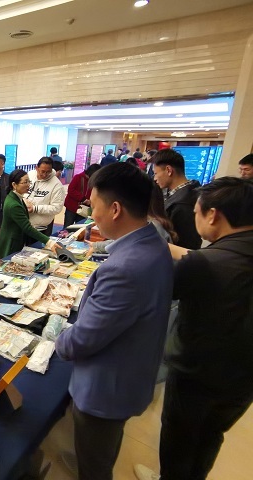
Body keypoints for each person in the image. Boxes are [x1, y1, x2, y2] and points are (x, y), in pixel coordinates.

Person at [56, 163, 174, 480]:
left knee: (95, 465)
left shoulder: (125, 269)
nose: (92, 214)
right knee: (101, 449)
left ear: (116, 209)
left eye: (94, 206)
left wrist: (56, 339)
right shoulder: (152, 242)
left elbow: (83, 339)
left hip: (106, 389)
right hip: (129, 374)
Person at [134, 177, 253, 480]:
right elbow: (209, 260)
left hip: (197, 375)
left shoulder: (205, 264)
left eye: (197, 212)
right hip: (243, 379)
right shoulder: (231, 254)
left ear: (212, 215)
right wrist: (171, 249)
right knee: (211, 436)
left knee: (179, 443)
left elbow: (155, 295)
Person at [0, 169, 53, 261]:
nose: (28, 185)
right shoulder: (13, 205)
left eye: (29, 181)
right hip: (10, 243)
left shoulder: (17, 197)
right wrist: (49, 242)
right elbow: (27, 228)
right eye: (25, 182)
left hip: (15, 239)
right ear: (14, 185)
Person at [152, 149, 202, 249]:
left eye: (156, 173)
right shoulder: (190, 191)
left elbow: (185, 244)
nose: (155, 178)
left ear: (169, 170)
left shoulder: (183, 205)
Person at [25, 157, 66, 235]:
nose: (44, 175)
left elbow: (57, 208)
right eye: (42, 171)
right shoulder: (30, 175)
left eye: (48, 172)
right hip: (23, 223)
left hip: (40, 228)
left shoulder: (57, 185)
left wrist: (35, 208)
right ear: (36, 168)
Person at [63, 164, 102, 228]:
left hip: (84, 209)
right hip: (72, 207)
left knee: (80, 227)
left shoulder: (94, 182)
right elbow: (71, 190)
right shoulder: (78, 177)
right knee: (67, 227)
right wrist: (83, 199)